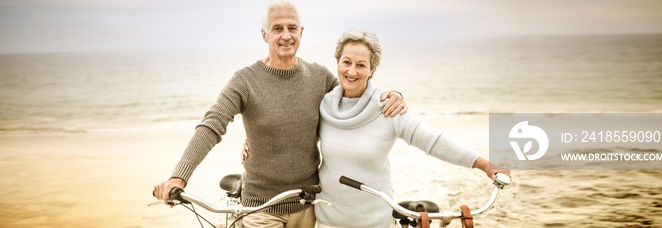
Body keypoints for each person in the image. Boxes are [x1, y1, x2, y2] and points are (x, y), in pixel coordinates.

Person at [152, 1, 408, 228]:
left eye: (291, 28)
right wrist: (179, 177)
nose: (286, 35)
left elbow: (356, 93)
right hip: (260, 208)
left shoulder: (319, 77)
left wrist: (392, 94)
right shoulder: (245, 81)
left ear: (301, 33)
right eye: (277, 28)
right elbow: (212, 125)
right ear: (264, 35)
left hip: (306, 204)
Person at [313, 29, 511, 228]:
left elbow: (432, 140)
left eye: (361, 65)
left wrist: (484, 164)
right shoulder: (325, 105)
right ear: (337, 62)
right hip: (326, 221)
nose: (352, 71)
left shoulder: (388, 107)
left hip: (375, 223)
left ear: (372, 70)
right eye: (346, 62)